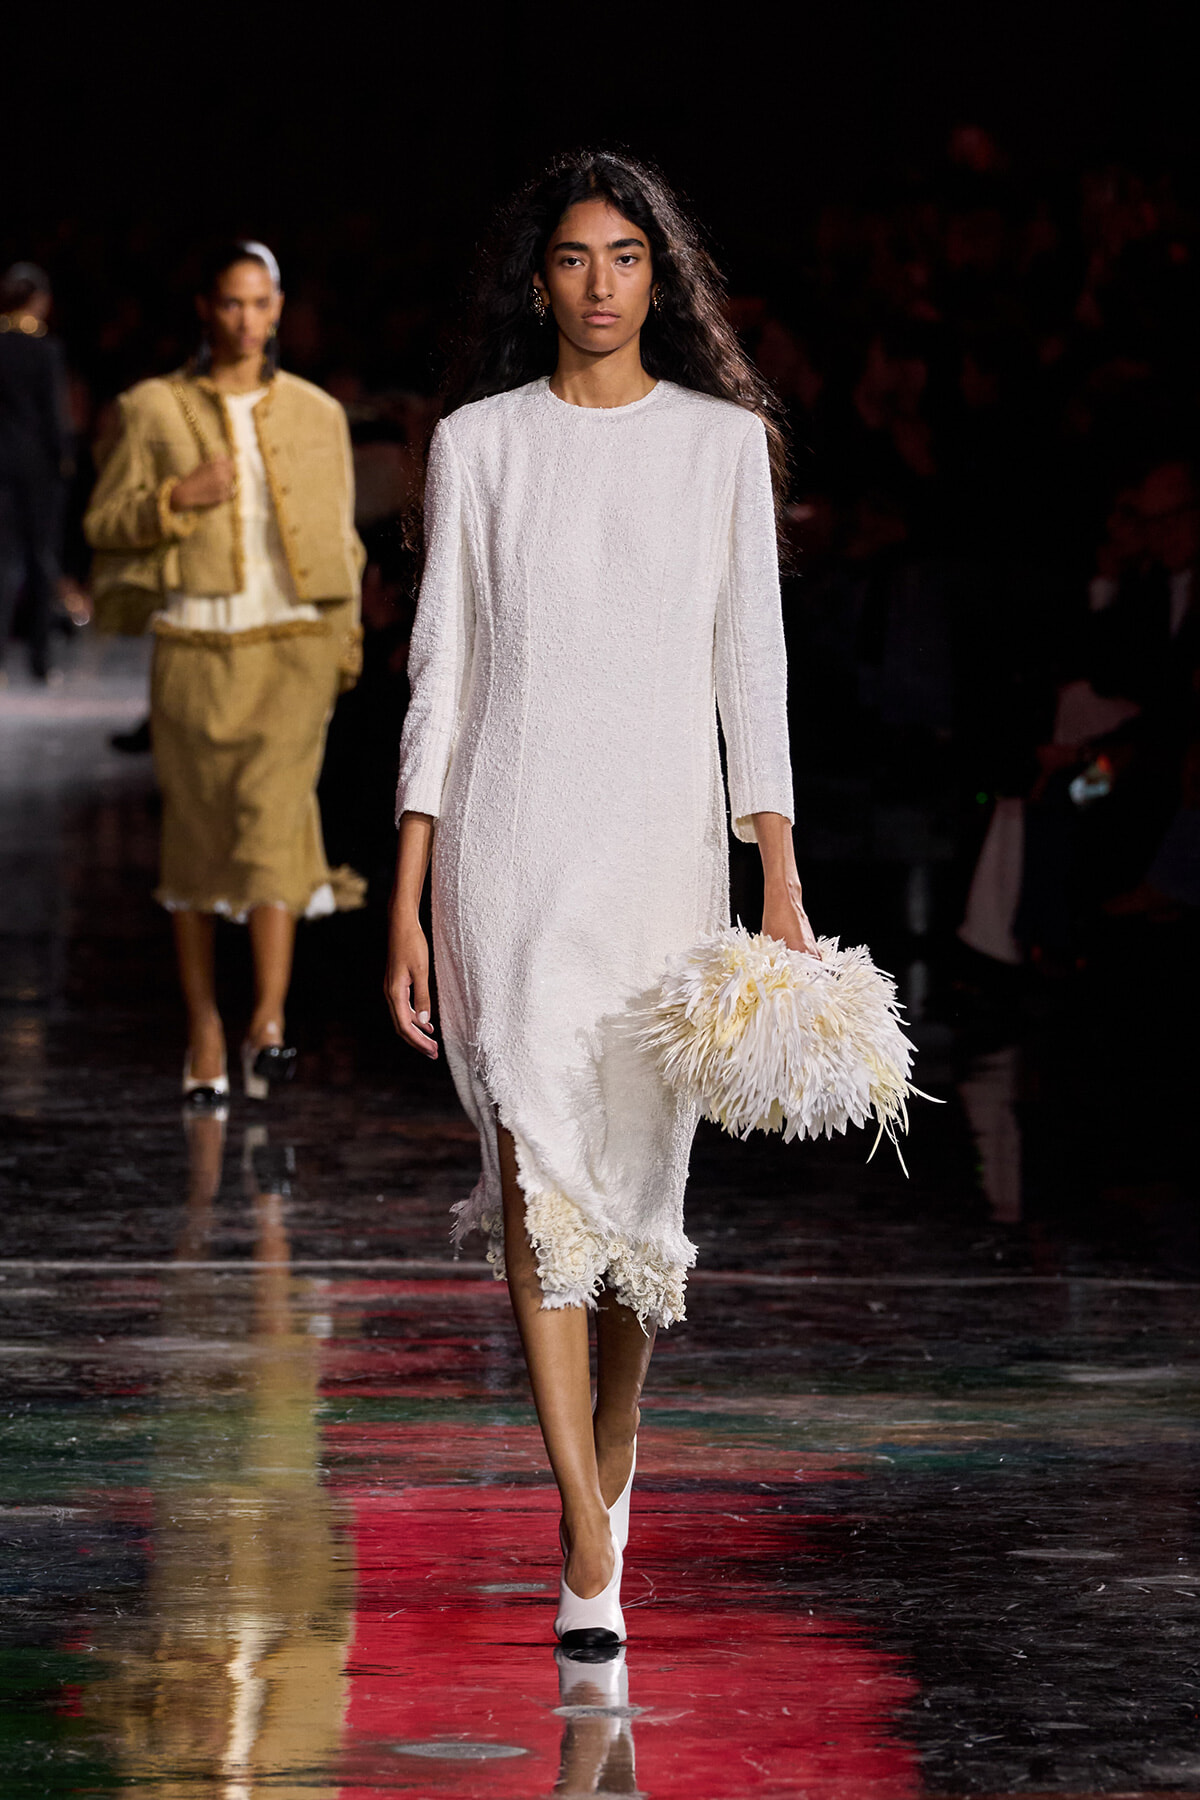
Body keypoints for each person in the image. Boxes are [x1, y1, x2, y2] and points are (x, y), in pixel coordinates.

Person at [385, 151, 817, 1648]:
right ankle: (584, 1524)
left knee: (635, 1198)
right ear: (537, 283)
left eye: (625, 255)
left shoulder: (722, 447)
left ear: (660, 275)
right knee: (529, 1161)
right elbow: (441, 671)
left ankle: (613, 1445)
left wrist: (776, 867)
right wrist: (408, 883)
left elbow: (749, 666)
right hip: (507, 847)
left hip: (659, 853)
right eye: (572, 258)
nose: (598, 283)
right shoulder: (476, 445)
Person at [84, 241, 365, 1104]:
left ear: (278, 308)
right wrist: (176, 499)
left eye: (261, 302)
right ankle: (205, 1021)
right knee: (201, 842)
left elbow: (341, 540)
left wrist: (345, 638)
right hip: (197, 648)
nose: (247, 318)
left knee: (276, 826)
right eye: (231, 303)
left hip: (293, 645)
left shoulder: (319, 415)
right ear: (206, 309)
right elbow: (104, 521)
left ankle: (269, 1020)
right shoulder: (152, 408)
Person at [0, 263, 70, 684]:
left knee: (2, 562)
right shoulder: (44, 350)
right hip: (38, 469)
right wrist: (65, 459)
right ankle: (41, 661)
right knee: (41, 559)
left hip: (0, 463)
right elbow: (54, 414)